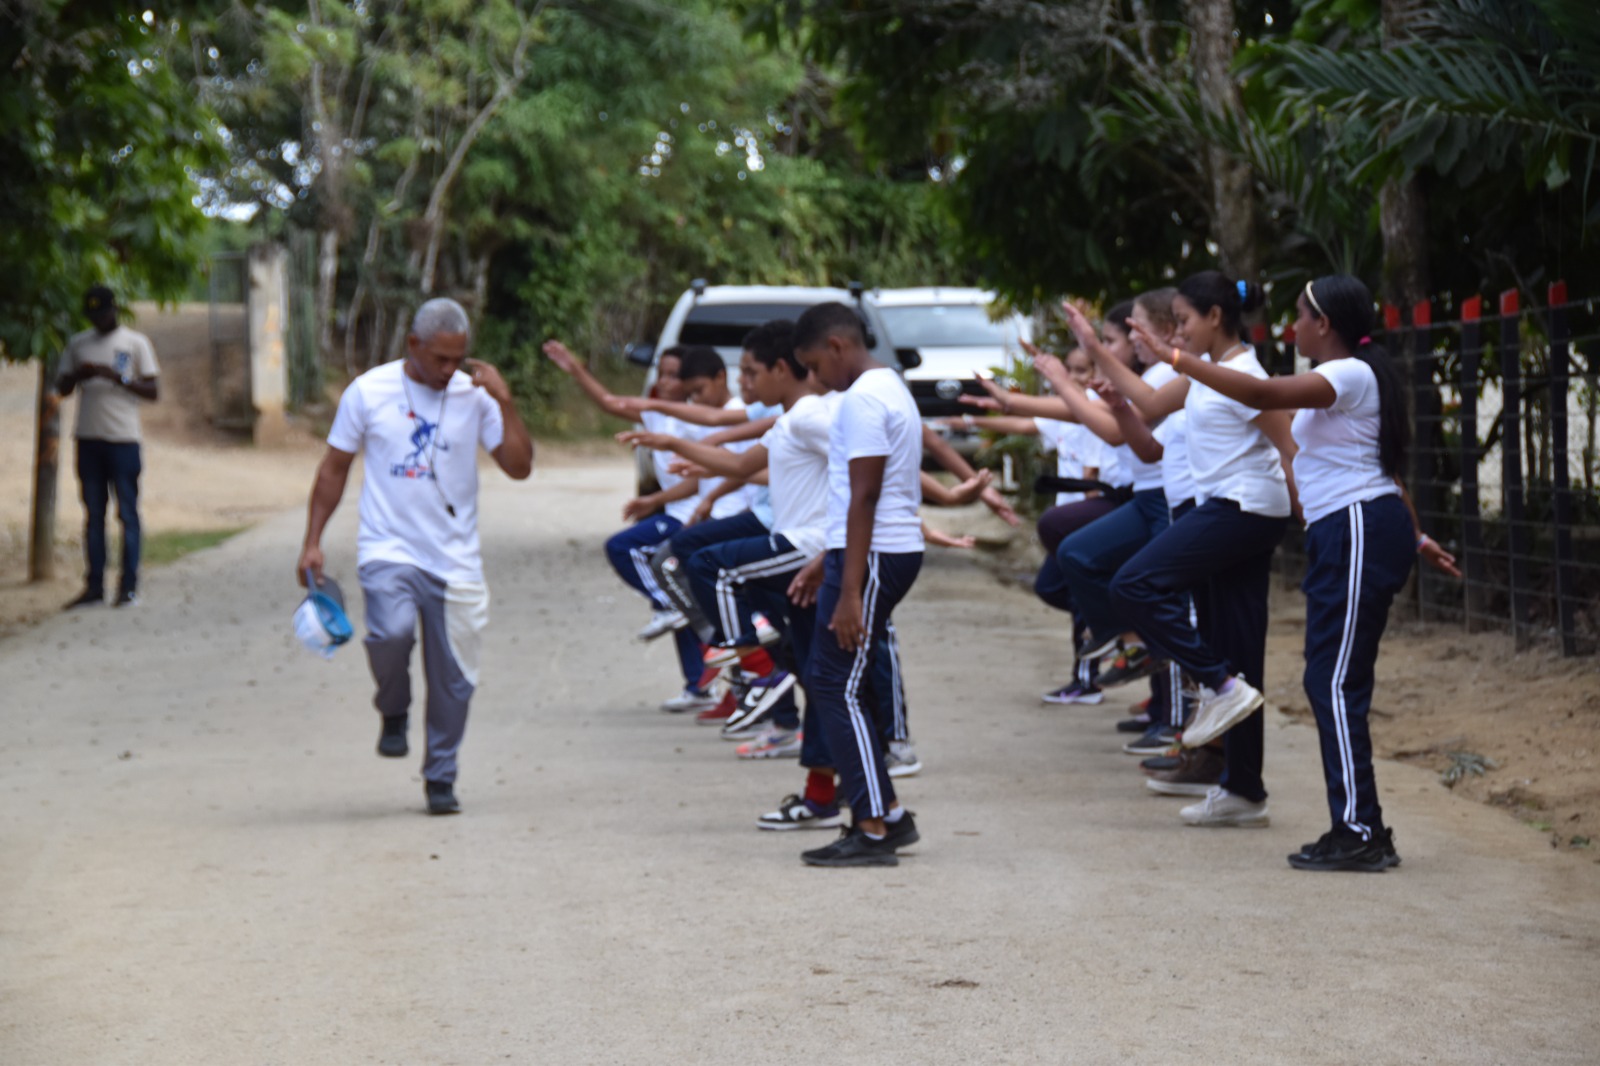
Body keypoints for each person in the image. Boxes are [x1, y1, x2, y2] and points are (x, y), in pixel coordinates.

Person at [1146, 274, 1458, 869]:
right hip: (1355, 529)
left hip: (1357, 528)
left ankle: (1361, 832)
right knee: (1330, 681)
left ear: (1327, 324)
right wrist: (1416, 536)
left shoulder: (1348, 371)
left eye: (1300, 317)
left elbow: (1263, 397)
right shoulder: (1354, 378)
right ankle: (1357, 826)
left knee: (1334, 684)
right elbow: (1380, 470)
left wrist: (1179, 360)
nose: (1292, 327)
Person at [296, 298, 534, 815]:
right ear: (413, 346)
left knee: (454, 679)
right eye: (440, 360)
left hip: (456, 559)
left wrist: (506, 402)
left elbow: (519, 467)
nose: (450, 370)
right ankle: (394, 707)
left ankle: (441, 776)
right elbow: (334, 468)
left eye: (459, 359)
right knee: (389, 633)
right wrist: (312, 541)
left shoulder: (476, 397)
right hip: (389, 548)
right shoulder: (369, 391)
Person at [1109, 270, 1298, 829]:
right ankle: (1244, 790)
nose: (1179, 332)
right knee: (1240, 650)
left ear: (1216, 318)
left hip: (1244, 510)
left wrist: (1312, 508)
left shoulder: (1243, 374)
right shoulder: (1207, 374)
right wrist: (1098, 349)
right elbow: (1144, 401)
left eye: (1185, 321)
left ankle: (1216, 683)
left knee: (1132, 584)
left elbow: (1287, 440)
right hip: (1232, 508)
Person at [789, 302, 926, 868]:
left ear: (839, 346)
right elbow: (860, 495)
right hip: (869, 551)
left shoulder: (865, 398)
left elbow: (866, 494)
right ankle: (886, 814)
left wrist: (849, 588)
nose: (815, 379)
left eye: (816, 365)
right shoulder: (886, 387)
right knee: (841, 682)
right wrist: (831, 557)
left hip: (874, 555)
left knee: (835, 683)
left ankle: (871, 828)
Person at [56, 286, 160, 609]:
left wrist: (118, 378)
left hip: (124, 439)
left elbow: (153, 390)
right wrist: (78, 374)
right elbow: (61, 387)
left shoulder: (135, 343)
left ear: (115, 310)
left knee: (127, 513)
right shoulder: (78, 344)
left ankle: (129, 586)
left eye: (104, 313)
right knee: (93, 514)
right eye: (93, 315)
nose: (99, 319)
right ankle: (95, 586)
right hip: (88, 438)